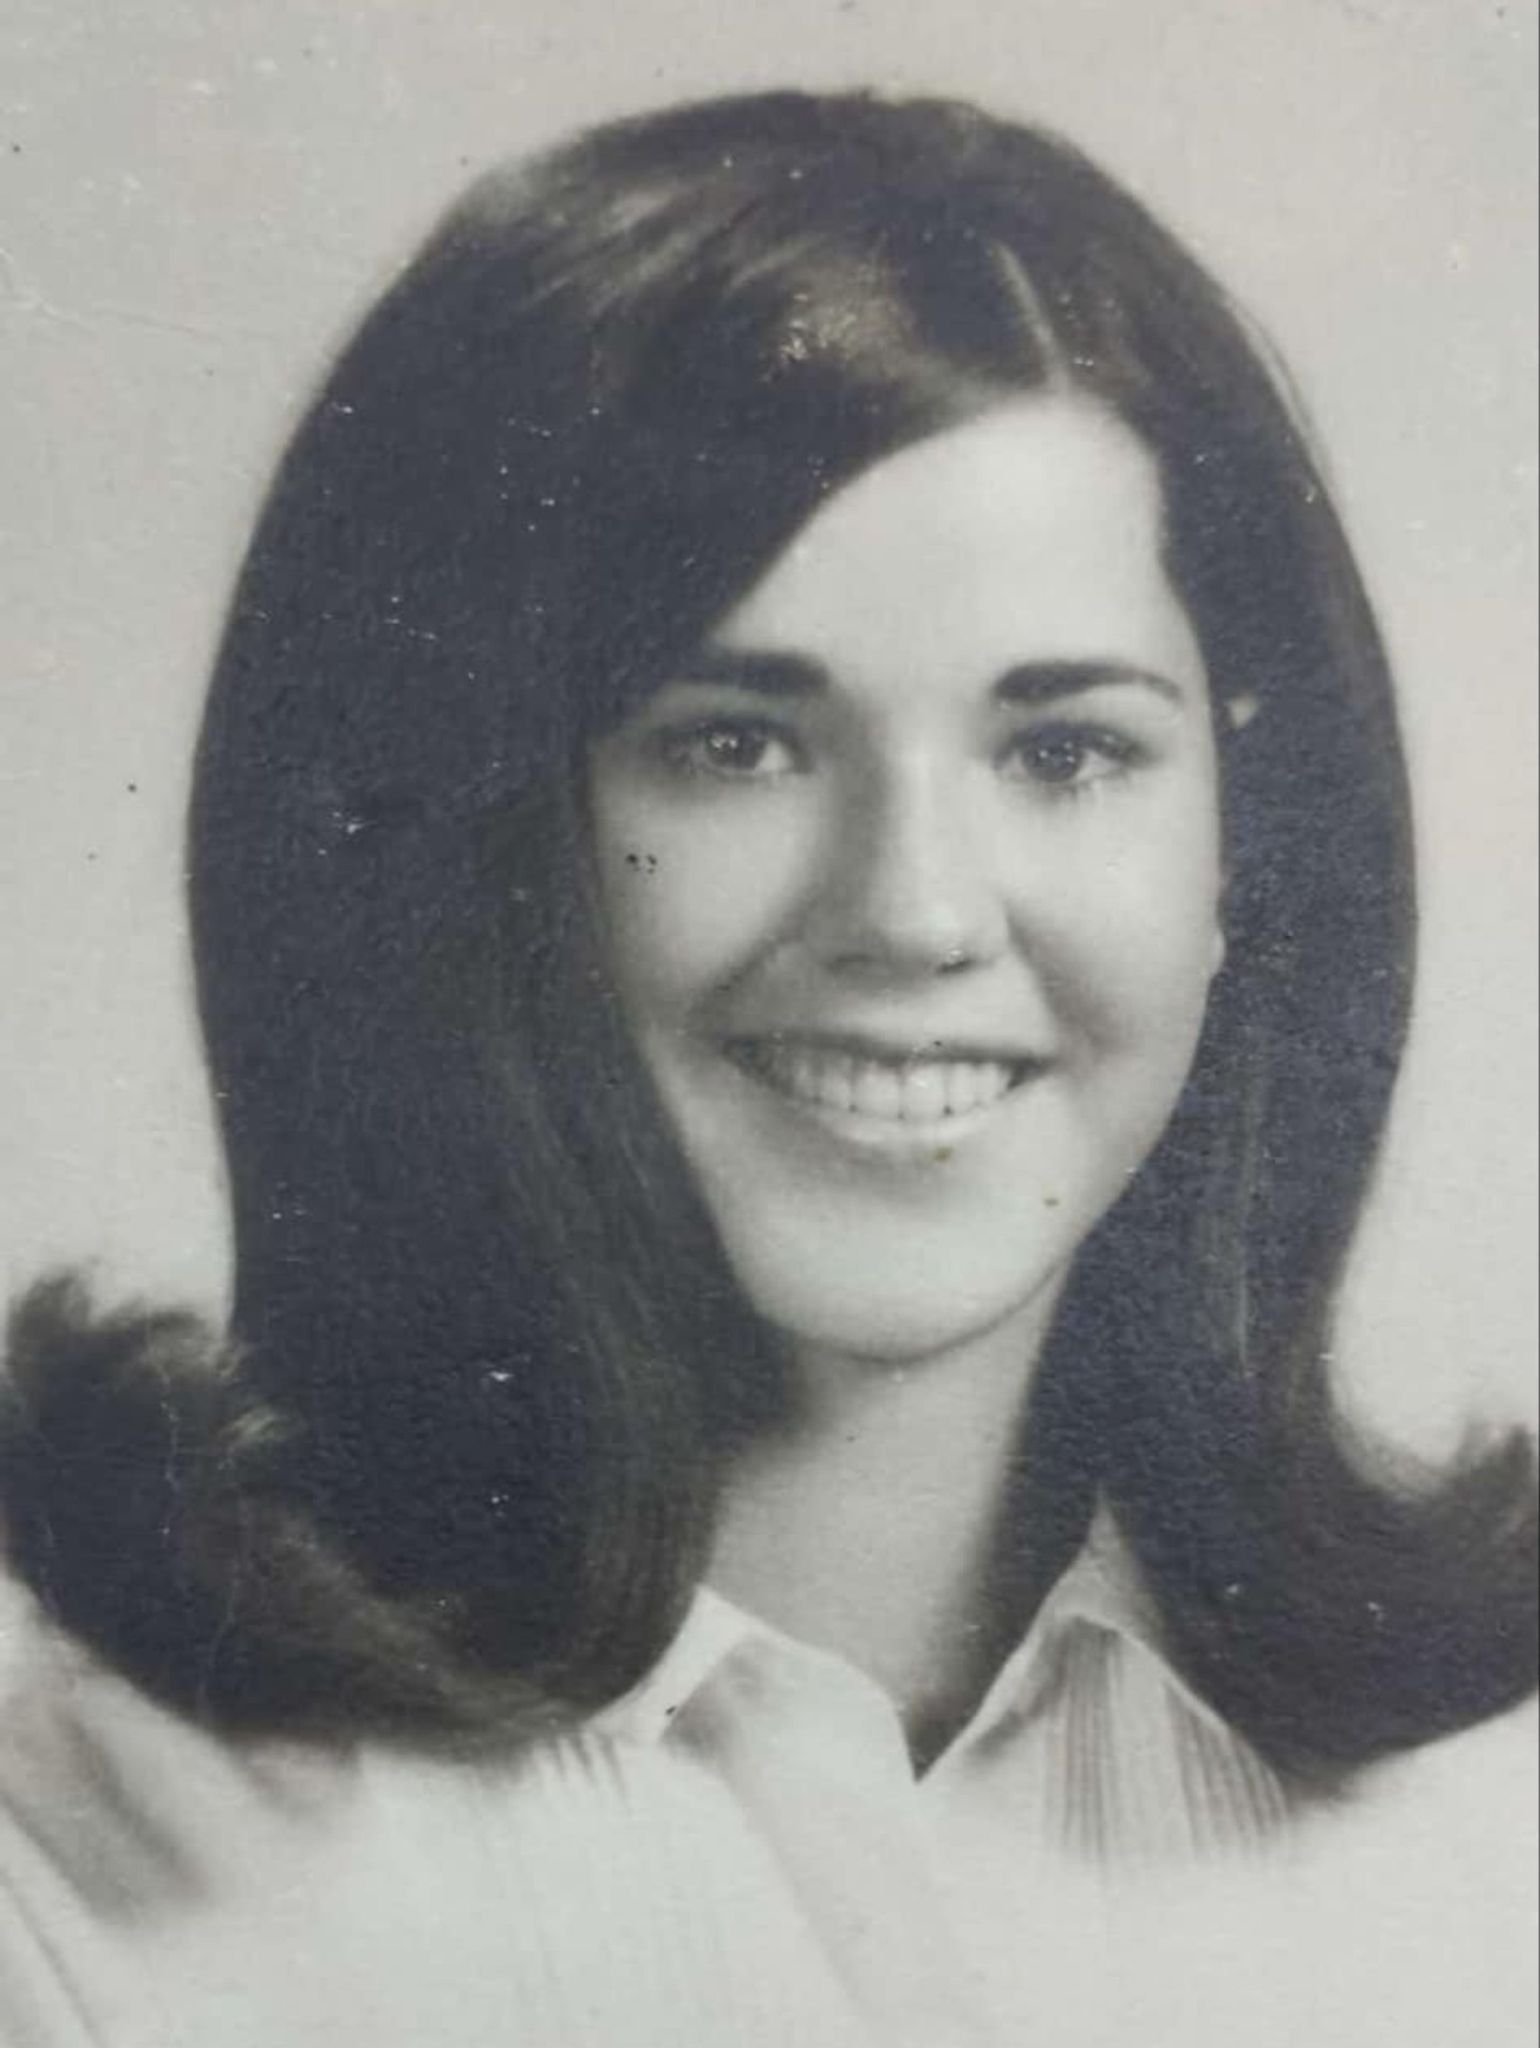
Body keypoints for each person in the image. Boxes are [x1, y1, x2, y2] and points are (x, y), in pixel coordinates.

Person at [0, 89, 1533, 2048]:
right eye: (733, 743)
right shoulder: (75, 1893)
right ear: (457, 832)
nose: (912, 911)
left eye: (1065, 749)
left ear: (1252, 853)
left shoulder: (1487, 1835)